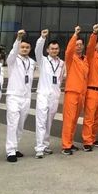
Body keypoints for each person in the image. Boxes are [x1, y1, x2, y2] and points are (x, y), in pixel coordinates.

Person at [5, 30, 36, 162]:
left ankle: (15, 147)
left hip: (26, 97)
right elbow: (13, 52)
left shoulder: (32, 62)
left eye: (27, 47)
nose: (24, 49)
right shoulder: (12, 60)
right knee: (13, 123)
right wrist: (18, 38)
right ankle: (10, 151)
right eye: (22, 47)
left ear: (30, 48)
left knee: (20, 124)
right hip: (14, 96)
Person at [34, 30, 65, 158]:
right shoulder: (43, 60)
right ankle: (39, 148)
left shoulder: (62, 63)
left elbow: (60, 79)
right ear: (47, 50)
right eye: (52, 49)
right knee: (41, 121)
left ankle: (45, 145)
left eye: (56, 49)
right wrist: (42, 38)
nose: (54, 50)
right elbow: (37, 49)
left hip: (54, 96)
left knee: (49, 122)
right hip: (43, 94)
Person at [61, 26, 89, 155]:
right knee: (69, 119)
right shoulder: (71, 58)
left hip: (81, 93)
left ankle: (70, 142)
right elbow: (68, 50)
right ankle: (65, 145)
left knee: (74, 119)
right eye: (76, 45)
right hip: (72, 92)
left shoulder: (85, 59)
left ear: (83, 46)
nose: (78, 47)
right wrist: (75, 35)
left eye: (80, 44)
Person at [82, 24, 98, 151]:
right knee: (89, 118)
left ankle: (93, 138)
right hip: (92, 90)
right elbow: (90, 47)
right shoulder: (91, 56)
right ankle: (87, 141)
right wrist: (94, 34)